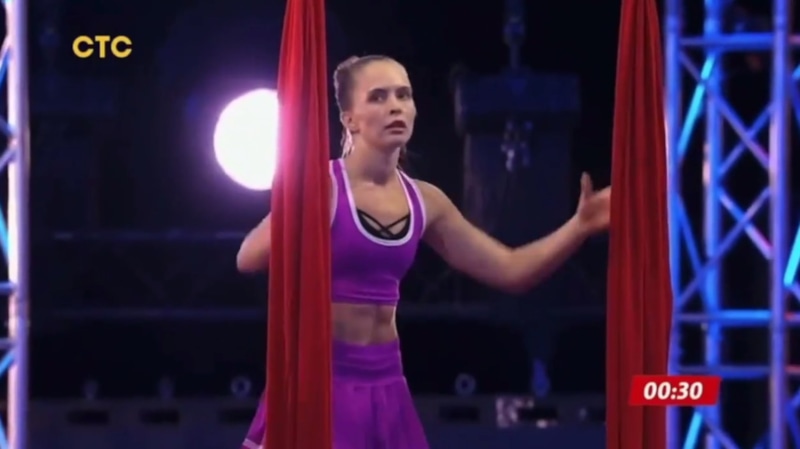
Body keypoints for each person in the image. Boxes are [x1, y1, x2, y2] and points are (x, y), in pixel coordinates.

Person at [237, 54, 611, 449]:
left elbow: (510, 269)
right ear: (350, 119)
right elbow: (248, 257)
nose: (395, 106)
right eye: (378, 97)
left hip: (386, 383)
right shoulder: (324, 187)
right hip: (323, 380)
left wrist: (580, 226)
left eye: (404, 95)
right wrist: (301, 214)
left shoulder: (425, 200)